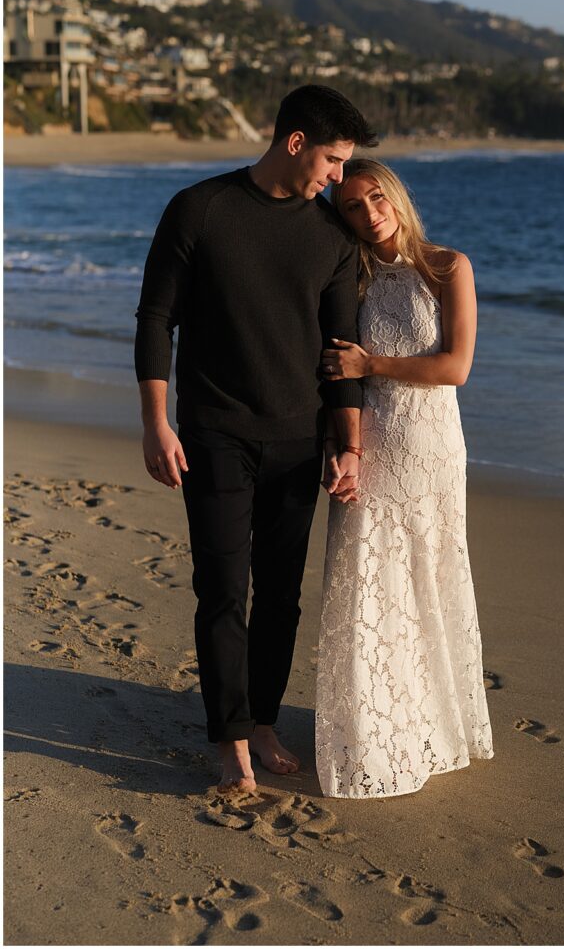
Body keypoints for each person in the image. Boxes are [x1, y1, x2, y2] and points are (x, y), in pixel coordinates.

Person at [134, 86, 377, 793]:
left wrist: (348, 443)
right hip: (214, 433)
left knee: (279, 597)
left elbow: (341, 351)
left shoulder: (330, 236)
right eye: (333, 160)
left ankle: (262, 719)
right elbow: (156, 318)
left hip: (299, 441)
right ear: (296, 142)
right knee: (219, 589)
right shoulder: (200, 208)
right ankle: (229, 736)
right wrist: (156, 421)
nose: (337, 178)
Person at [315, 158, 494, 798]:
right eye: (353, 208)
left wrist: (372, 360)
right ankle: (373, 730)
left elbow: (456, 367)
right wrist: (344, 444)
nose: (369, 214)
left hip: (432, 447)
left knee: (427, 576)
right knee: (369, 580)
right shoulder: (353, 275)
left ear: (396, 194)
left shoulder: (448, 267)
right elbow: (336, 367)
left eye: (375, 198)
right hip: (371, 442)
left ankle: (433, 727)